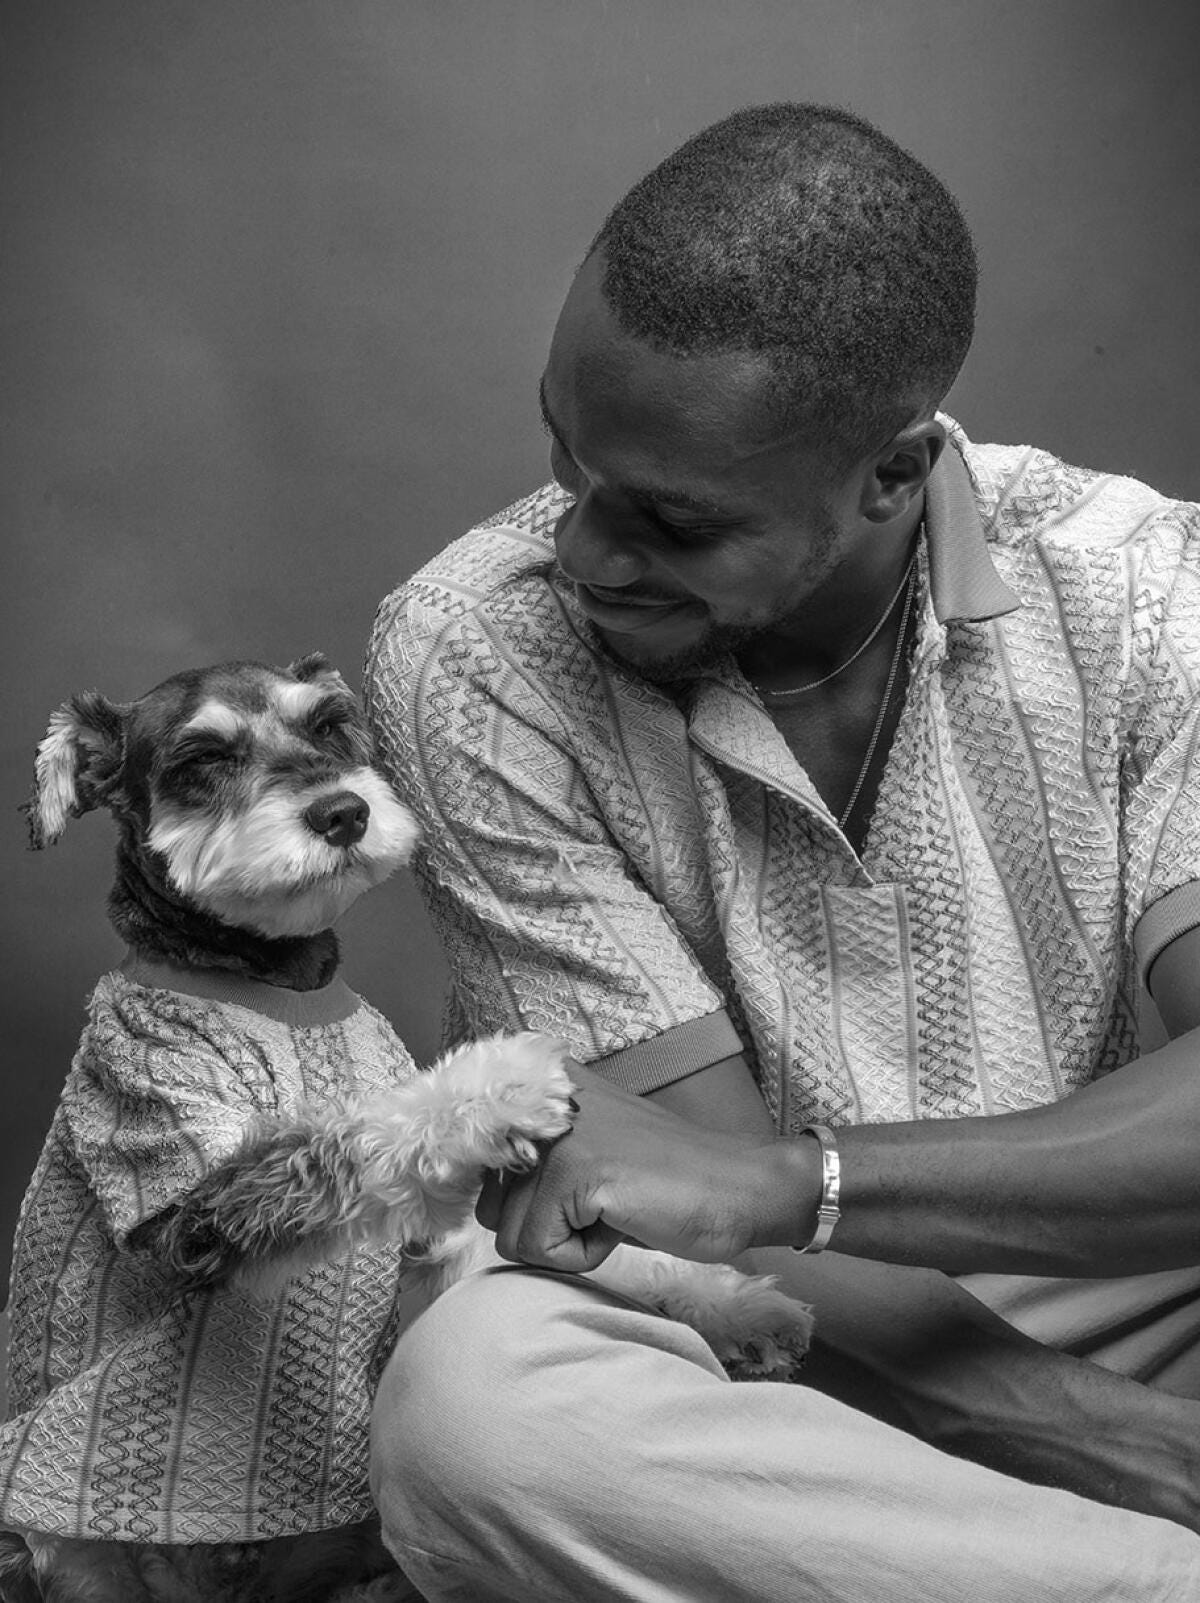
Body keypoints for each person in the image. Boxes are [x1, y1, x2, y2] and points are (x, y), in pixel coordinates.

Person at [363, 104, 1200, 1600]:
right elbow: (688, 1217)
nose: (584, 552)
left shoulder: (1147, 593)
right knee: (475, 1411)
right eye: (569, 457)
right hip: (767, 1332)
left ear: (895, 472)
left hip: (1112, 1250)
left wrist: (797, 1178)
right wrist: (1110, 1438)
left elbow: (746, 1183)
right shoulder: (475, 652)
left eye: (675, 521)